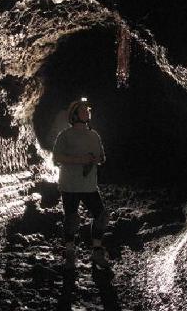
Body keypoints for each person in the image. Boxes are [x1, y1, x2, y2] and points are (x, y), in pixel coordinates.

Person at [52, 97, 109, 269]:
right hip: (70, 185)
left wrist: (95, 159)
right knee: (71, 219)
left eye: (88, 110)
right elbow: (57, 157)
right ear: (75, 115)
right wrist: (80, 159)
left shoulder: (93, 135)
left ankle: (97, 252)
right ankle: (70, 253)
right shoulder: (65, 135)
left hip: (89, 185)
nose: (87, 112)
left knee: (101, 216)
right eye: (84, 110)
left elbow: (102, 157)